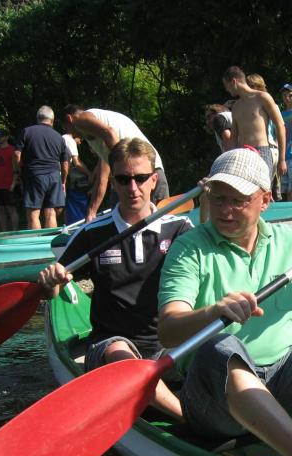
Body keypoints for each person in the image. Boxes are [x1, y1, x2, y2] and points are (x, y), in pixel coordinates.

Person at [157, 147, 292, 456]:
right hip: (215, 403)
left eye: (238, 201)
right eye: (218, 199)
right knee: (220, 346)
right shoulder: (189, 249)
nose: (226, 210)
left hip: (282, 384)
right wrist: (213, 312)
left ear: (265, 201)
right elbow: (168, 330)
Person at [38, 138, 191, 420]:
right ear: (114, 183)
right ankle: (187, 419)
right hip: (112, 343)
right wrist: (50, 283)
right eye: (123, 179)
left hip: (169, 343)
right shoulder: (93, 233)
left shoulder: (179, 228)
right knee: (122, 357)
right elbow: (53, 290)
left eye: (140, 178)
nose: (133, 188)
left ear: (154, 180)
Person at [62, 105, 169, 221]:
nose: (69, 134)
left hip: (144, 175)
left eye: (66, 128)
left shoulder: (81, 119)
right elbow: (103, 177)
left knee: (158, 222)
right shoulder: (101, 131)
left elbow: (110, 132)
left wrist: (124, 165)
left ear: (69, 119)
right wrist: (92, 210)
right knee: (124, 218)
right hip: (147, 172)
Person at [222, 66, 286, 181]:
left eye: (226, 85)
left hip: (261, 152)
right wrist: (228, 160)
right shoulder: (236, 107)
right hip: (242, 154)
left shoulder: (262, 97)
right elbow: (233, 138)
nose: (226, 89)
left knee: (262, 189)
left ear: (234, 81)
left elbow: (280, 126)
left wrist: (282, 159)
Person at [13, 105, 69, 230]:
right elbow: (65, 164)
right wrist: (63, 181)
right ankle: (49, 241)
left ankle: (35, 240)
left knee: (33, 214)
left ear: (38, 118)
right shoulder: (59, 137)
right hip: (54, 176)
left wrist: (17, 171)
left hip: (34, 175)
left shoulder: (27, 132)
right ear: (52, 121)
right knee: (51, 212)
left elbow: (16, 155)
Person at [246, 73, 282, 201]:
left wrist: (281, 156)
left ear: (258, 86)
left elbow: (280, 128)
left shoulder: (267, 103)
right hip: (261, 149)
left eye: (251, 86)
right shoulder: (249, 104)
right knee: (261, 186)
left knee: (264, 187)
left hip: (269, 148)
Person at [0, 131, 19, 232]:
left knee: (11, 209)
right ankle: (4, 232)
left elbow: (17, 167)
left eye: (0, 136)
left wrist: (14, 183)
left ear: (6, 137)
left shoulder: (13, 150)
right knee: (0, 209)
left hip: (9, 184)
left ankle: (15, 232)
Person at [62, 132, 92, 224]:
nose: (80, 142)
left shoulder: (63, 138)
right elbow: (77, 163)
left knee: (63, 204)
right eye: (81, 139)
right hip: (60, 175)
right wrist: (90, 174)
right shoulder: (70, 140)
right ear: (76, 135)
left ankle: (67, 224)